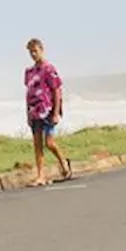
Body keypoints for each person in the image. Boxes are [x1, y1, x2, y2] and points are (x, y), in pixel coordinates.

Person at [24, 37, 72, 186]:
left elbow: (56, 90)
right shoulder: (30, 72)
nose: (33, 54)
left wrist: (56, 112)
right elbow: (28, 92)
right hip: (34, 111)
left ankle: (63, 161)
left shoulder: (49, 69)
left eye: (35, 51)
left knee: (49, 143)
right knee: (37, 144)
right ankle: (40, 176)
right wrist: (27, 113)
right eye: (31, 52)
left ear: (41, 50)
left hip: (48, 110)